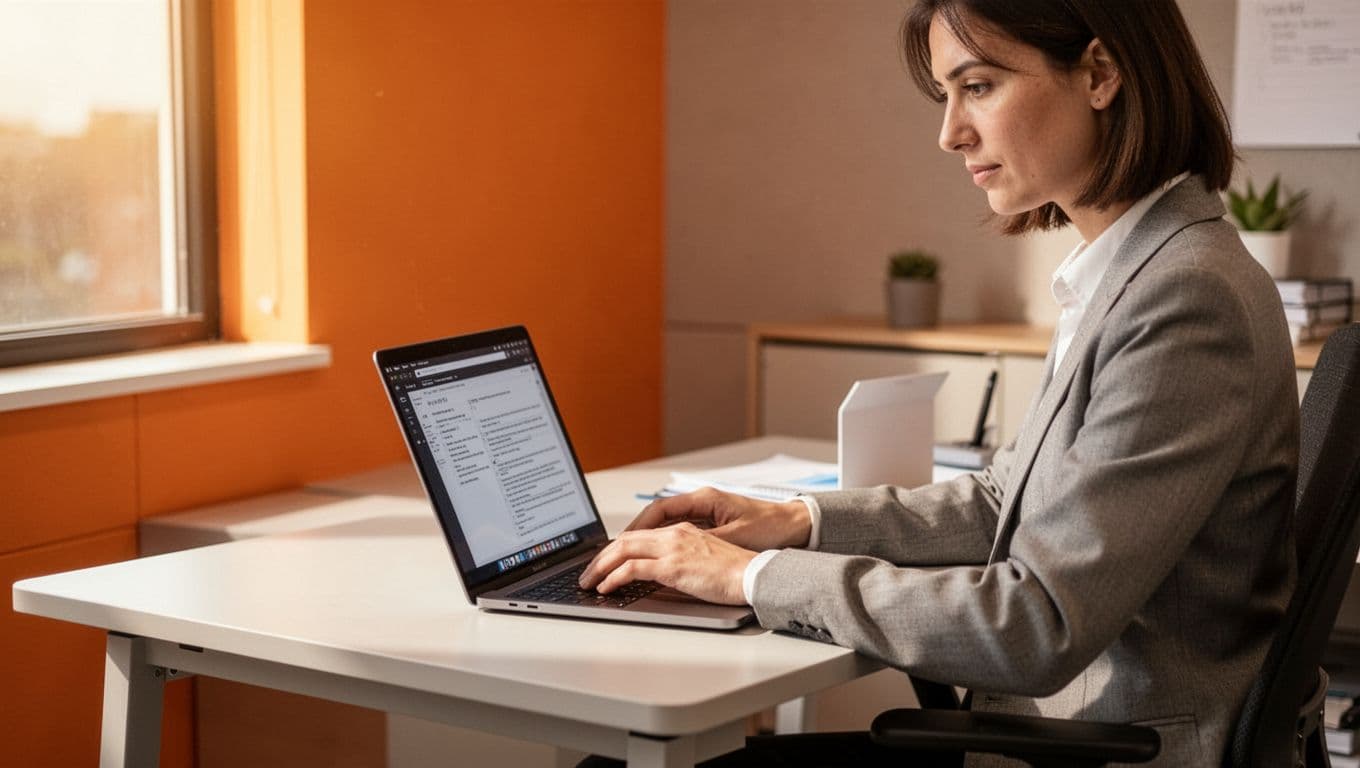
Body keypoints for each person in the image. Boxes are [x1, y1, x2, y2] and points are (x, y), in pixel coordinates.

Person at [580, 0, 1298, 765]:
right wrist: (797, 522)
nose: (950, 131)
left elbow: (1038, 622)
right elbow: (1006, 498)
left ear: (1100, 74)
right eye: (946, 96)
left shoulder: (1184, 296)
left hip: (1106, 745)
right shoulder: (1134, 272)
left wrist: (752, 576)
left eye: (979, 86)